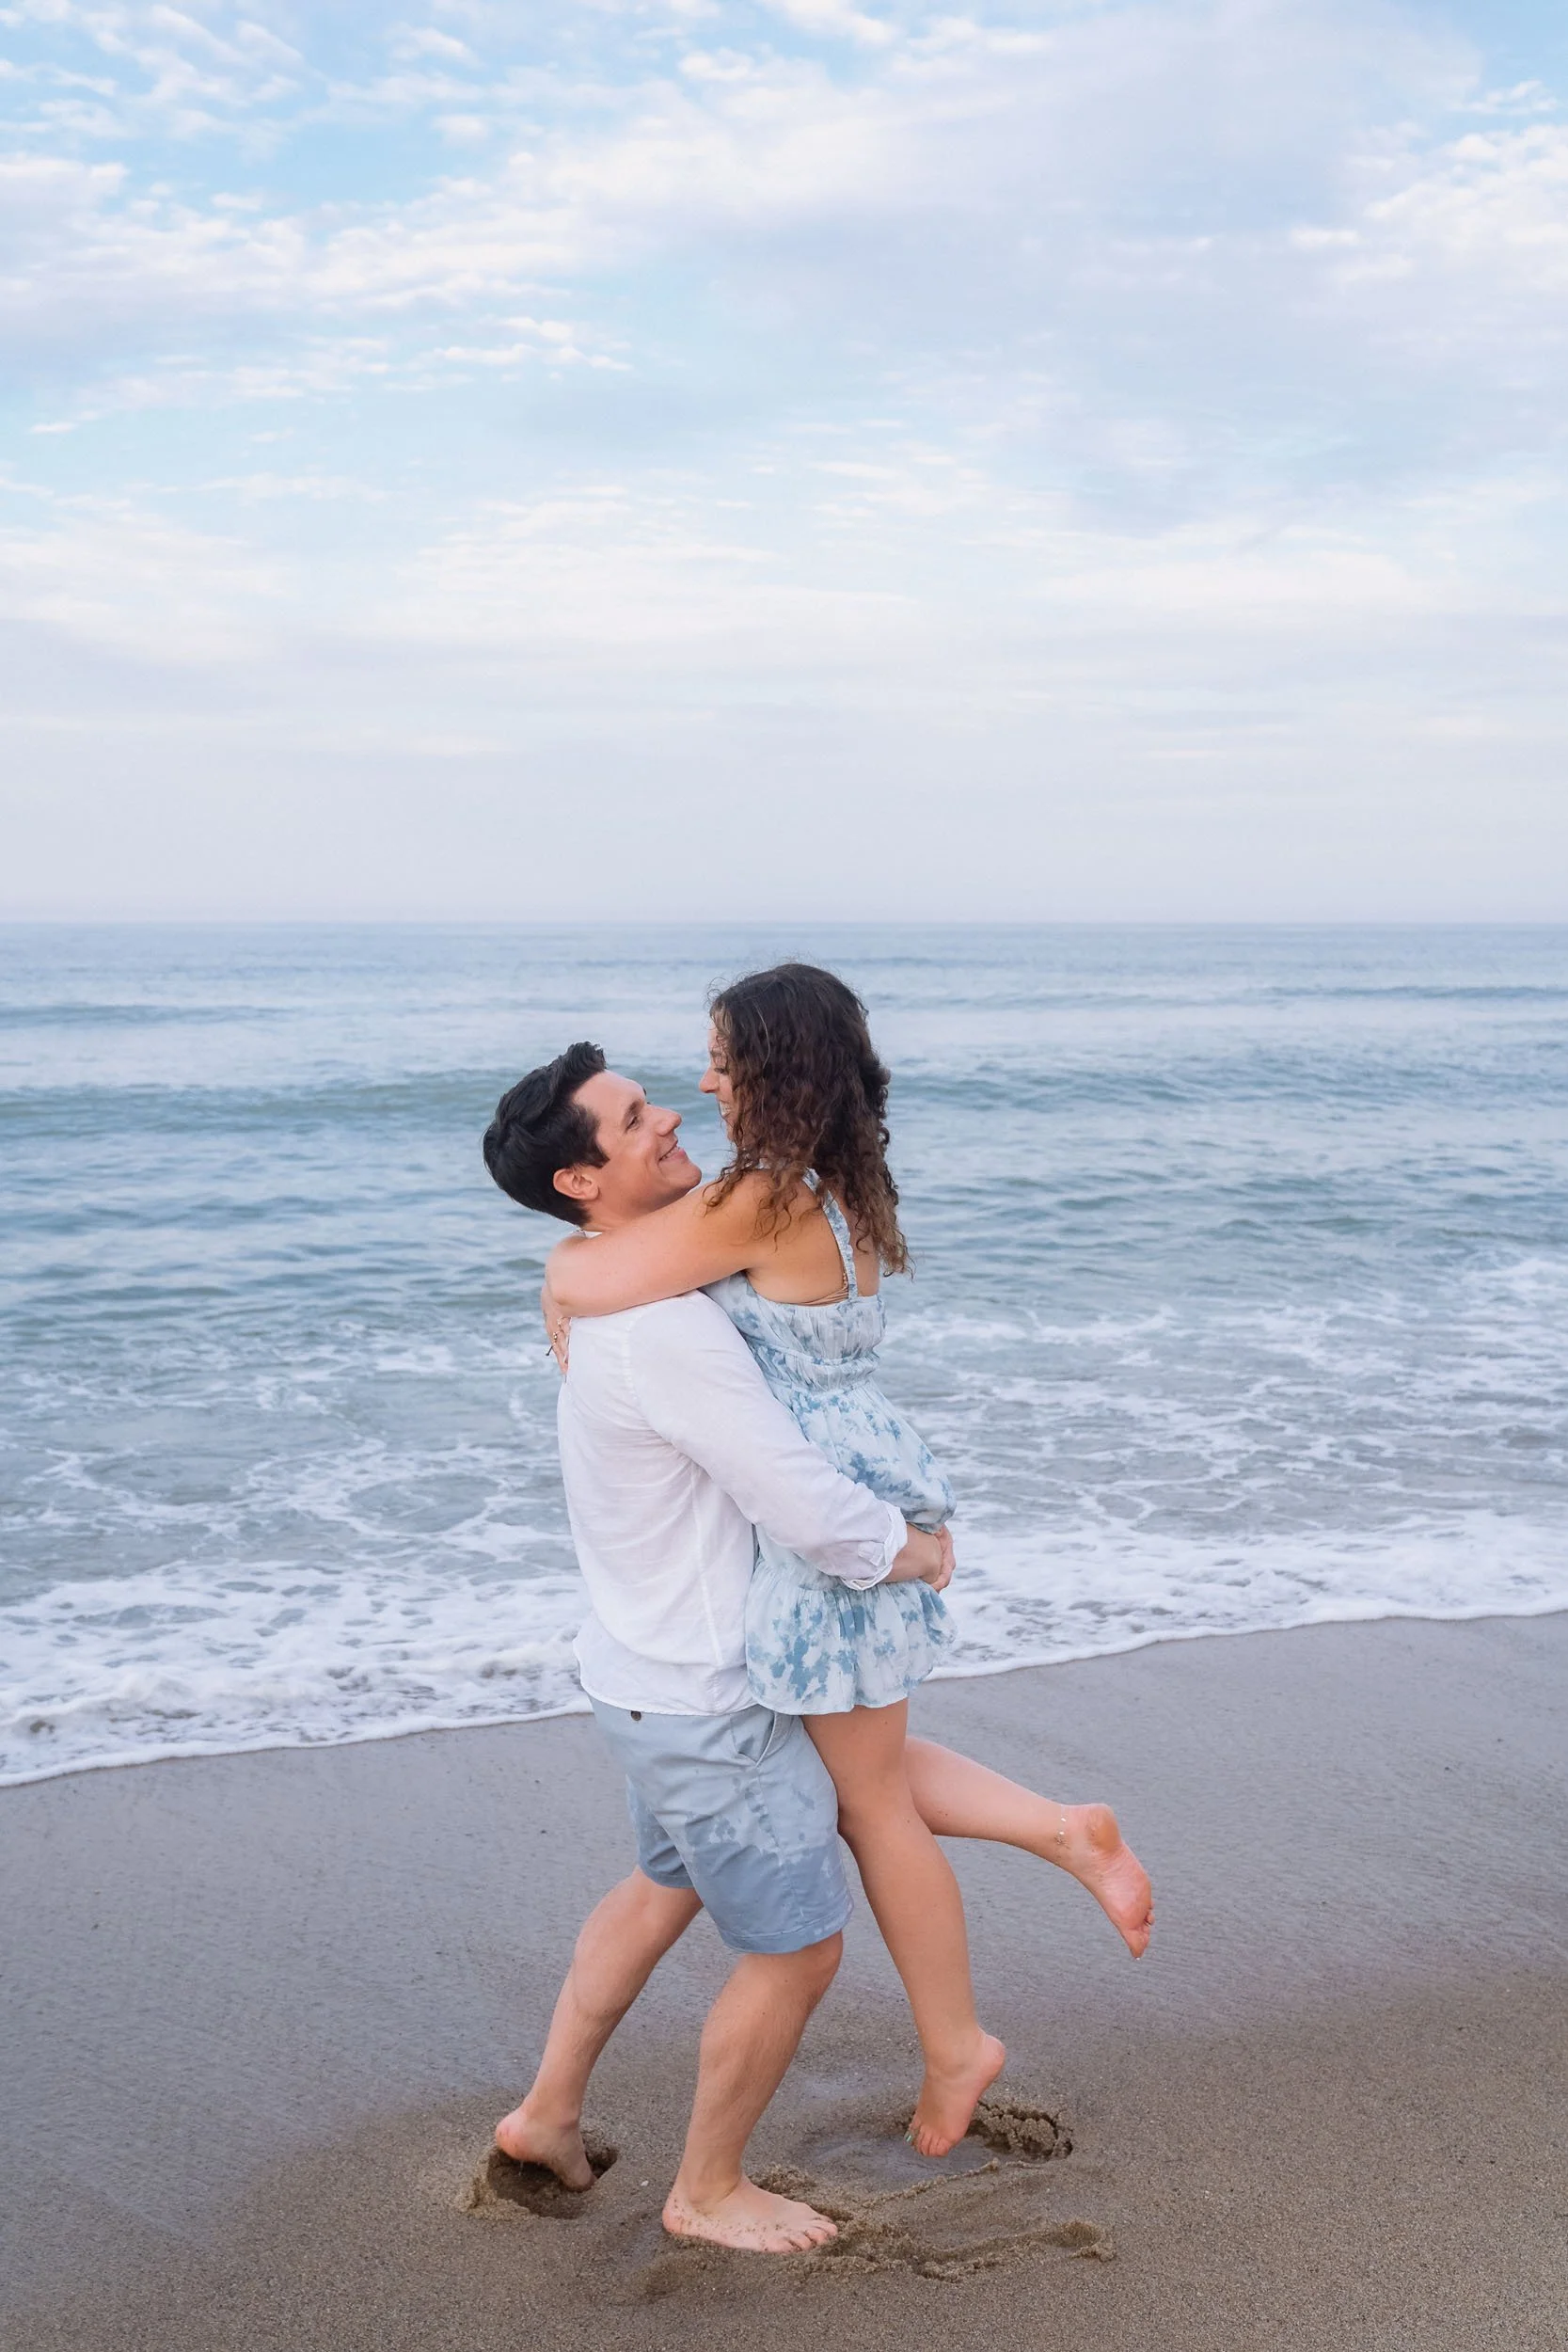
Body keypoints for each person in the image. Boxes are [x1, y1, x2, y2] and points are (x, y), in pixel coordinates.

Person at [541, 968, 1154, 2158]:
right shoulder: (828, 1179)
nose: (700, 1081)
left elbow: (598, 1271)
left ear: (771, 1067)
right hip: (862, 1465)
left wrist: (559, 1280)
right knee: (860, 1763)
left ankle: (956, 2041)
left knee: (868, 1799)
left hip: (828, 1517)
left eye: (719, 1057)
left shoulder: (758, 1198)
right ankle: (1062, 1832)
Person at [482, 1043, 954, 2254]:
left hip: (636, 1678)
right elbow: (792, 1495)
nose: (668, 1118)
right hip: (705, 1698)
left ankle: (544, 2115)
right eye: (634, 1117)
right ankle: (706, 2189)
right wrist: (904, 1547)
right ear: (581, 1180)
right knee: (797, 1951)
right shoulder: (662, 1331)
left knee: (660, 1887)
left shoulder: (610, 1284)